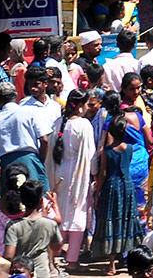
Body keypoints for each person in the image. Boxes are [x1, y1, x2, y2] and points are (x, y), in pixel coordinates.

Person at [91, 115, 146, 274]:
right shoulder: (129, 149)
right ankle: (131, 261)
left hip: (112, 187)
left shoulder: (107, 152)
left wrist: (97, 194)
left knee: (113, 221)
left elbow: (103, 173)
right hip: (127, 187)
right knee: (127, 220)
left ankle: (111, 264)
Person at [50, 90, 95, 267]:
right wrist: (95, 172)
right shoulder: (84, 125)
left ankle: (54, 255)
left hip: (59, 173)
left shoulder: (58, 123)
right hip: (79, 174)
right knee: (77, 212)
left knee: (59, 211)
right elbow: (91, 155)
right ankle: (72, 260)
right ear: (81, 105)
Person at [2, 180, 62, 278]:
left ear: (21, 200)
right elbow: (56, 246)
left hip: (20, 274)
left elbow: (9, 255)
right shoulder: (50, 223)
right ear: (41, 201)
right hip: (42, 273)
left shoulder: (13, 225)